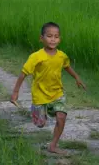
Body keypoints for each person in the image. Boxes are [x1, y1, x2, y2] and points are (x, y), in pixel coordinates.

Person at [10, 22, 86, 155]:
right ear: (42, 38)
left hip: (57, 93)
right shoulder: (36, 56)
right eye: (49, 36)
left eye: (56, 36)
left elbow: (67, 66)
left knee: (61, 116)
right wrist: (15, 92)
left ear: (59, 39)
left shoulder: (62, 55)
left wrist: (77, 77)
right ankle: (37, 112)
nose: (53, 39)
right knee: (40, 124)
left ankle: (53, 145)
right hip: (40, 94)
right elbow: (24, 73)